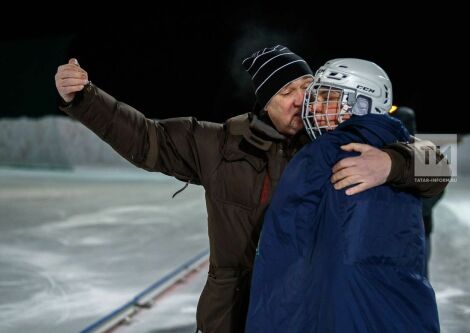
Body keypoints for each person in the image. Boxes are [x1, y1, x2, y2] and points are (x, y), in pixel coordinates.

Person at [54, 45, 447, 333]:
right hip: (233, 310)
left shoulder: (333, 141)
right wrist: (85, 99)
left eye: (307, 88)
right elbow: (146, 138)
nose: (301, 101)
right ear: (264, 103)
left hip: (305, 308)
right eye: (285, 93)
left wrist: (392, 163)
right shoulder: (222, 145)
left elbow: (440, 165)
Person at [246, 59, 439, 332]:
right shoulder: (320, 144)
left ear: (362, 102)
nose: (312, 107)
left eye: (328, 98)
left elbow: (441, 163)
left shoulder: (324, 151)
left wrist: (392, 163)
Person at [390, 106, 445, 278]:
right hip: (394, 232)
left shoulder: (424, 152)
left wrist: (412, 210)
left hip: (419, 228)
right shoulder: (384, 150)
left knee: (418, 277)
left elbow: (437, 190)